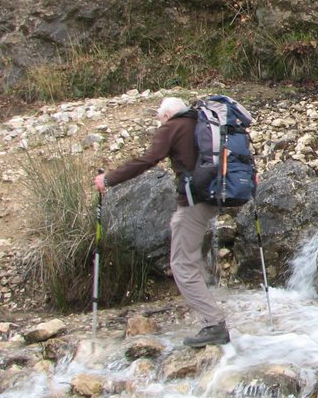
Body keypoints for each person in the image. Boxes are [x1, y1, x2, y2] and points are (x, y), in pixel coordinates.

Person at [94, 96, 229, 348]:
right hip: (216, 196)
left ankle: (214, 324)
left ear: (167, 115)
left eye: (159, 117)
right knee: (190, 257)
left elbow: (147, 160)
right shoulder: (204, 122)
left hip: (193, 202)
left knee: (180, 264)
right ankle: (207, 292)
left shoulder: (171, 127)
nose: (159, 122)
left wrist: (109, 179)